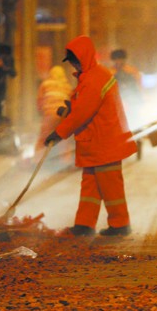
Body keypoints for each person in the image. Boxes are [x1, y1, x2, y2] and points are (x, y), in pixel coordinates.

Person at [44, 36, 136, 237]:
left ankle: (120, 224)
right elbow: (83, 108)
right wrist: (69, 109)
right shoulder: (91, 76)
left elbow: (83, 113)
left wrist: (59, 133)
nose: (72, 65)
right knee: (90, 186)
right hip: (96, 141)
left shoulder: (94, 79)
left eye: (74, 61)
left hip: (105, 141)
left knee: (111, 187)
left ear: (83, 58)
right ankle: (85, 224)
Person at [36, 65, 72, 165]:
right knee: (63, 139)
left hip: (49, 114)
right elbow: (70, 102)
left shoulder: (45, 84)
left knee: (43, 138)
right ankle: (65, 162)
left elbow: (39, 100)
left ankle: (37, 161)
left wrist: (41, 112)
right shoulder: (67, 86)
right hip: (62, 115)